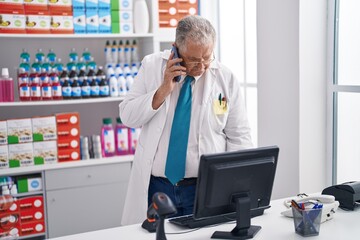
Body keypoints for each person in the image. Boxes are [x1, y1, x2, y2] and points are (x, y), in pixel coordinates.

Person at [119, 15, 253, 225]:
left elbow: (239, 136)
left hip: (205, 189)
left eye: (207, 57)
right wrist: (162, 90)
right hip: (158, 188)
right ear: (175, 49)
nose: (201, 66)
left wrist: (235, 184)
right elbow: (128, 116)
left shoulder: (225, 78)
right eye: (193, 59)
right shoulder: (152, 66)